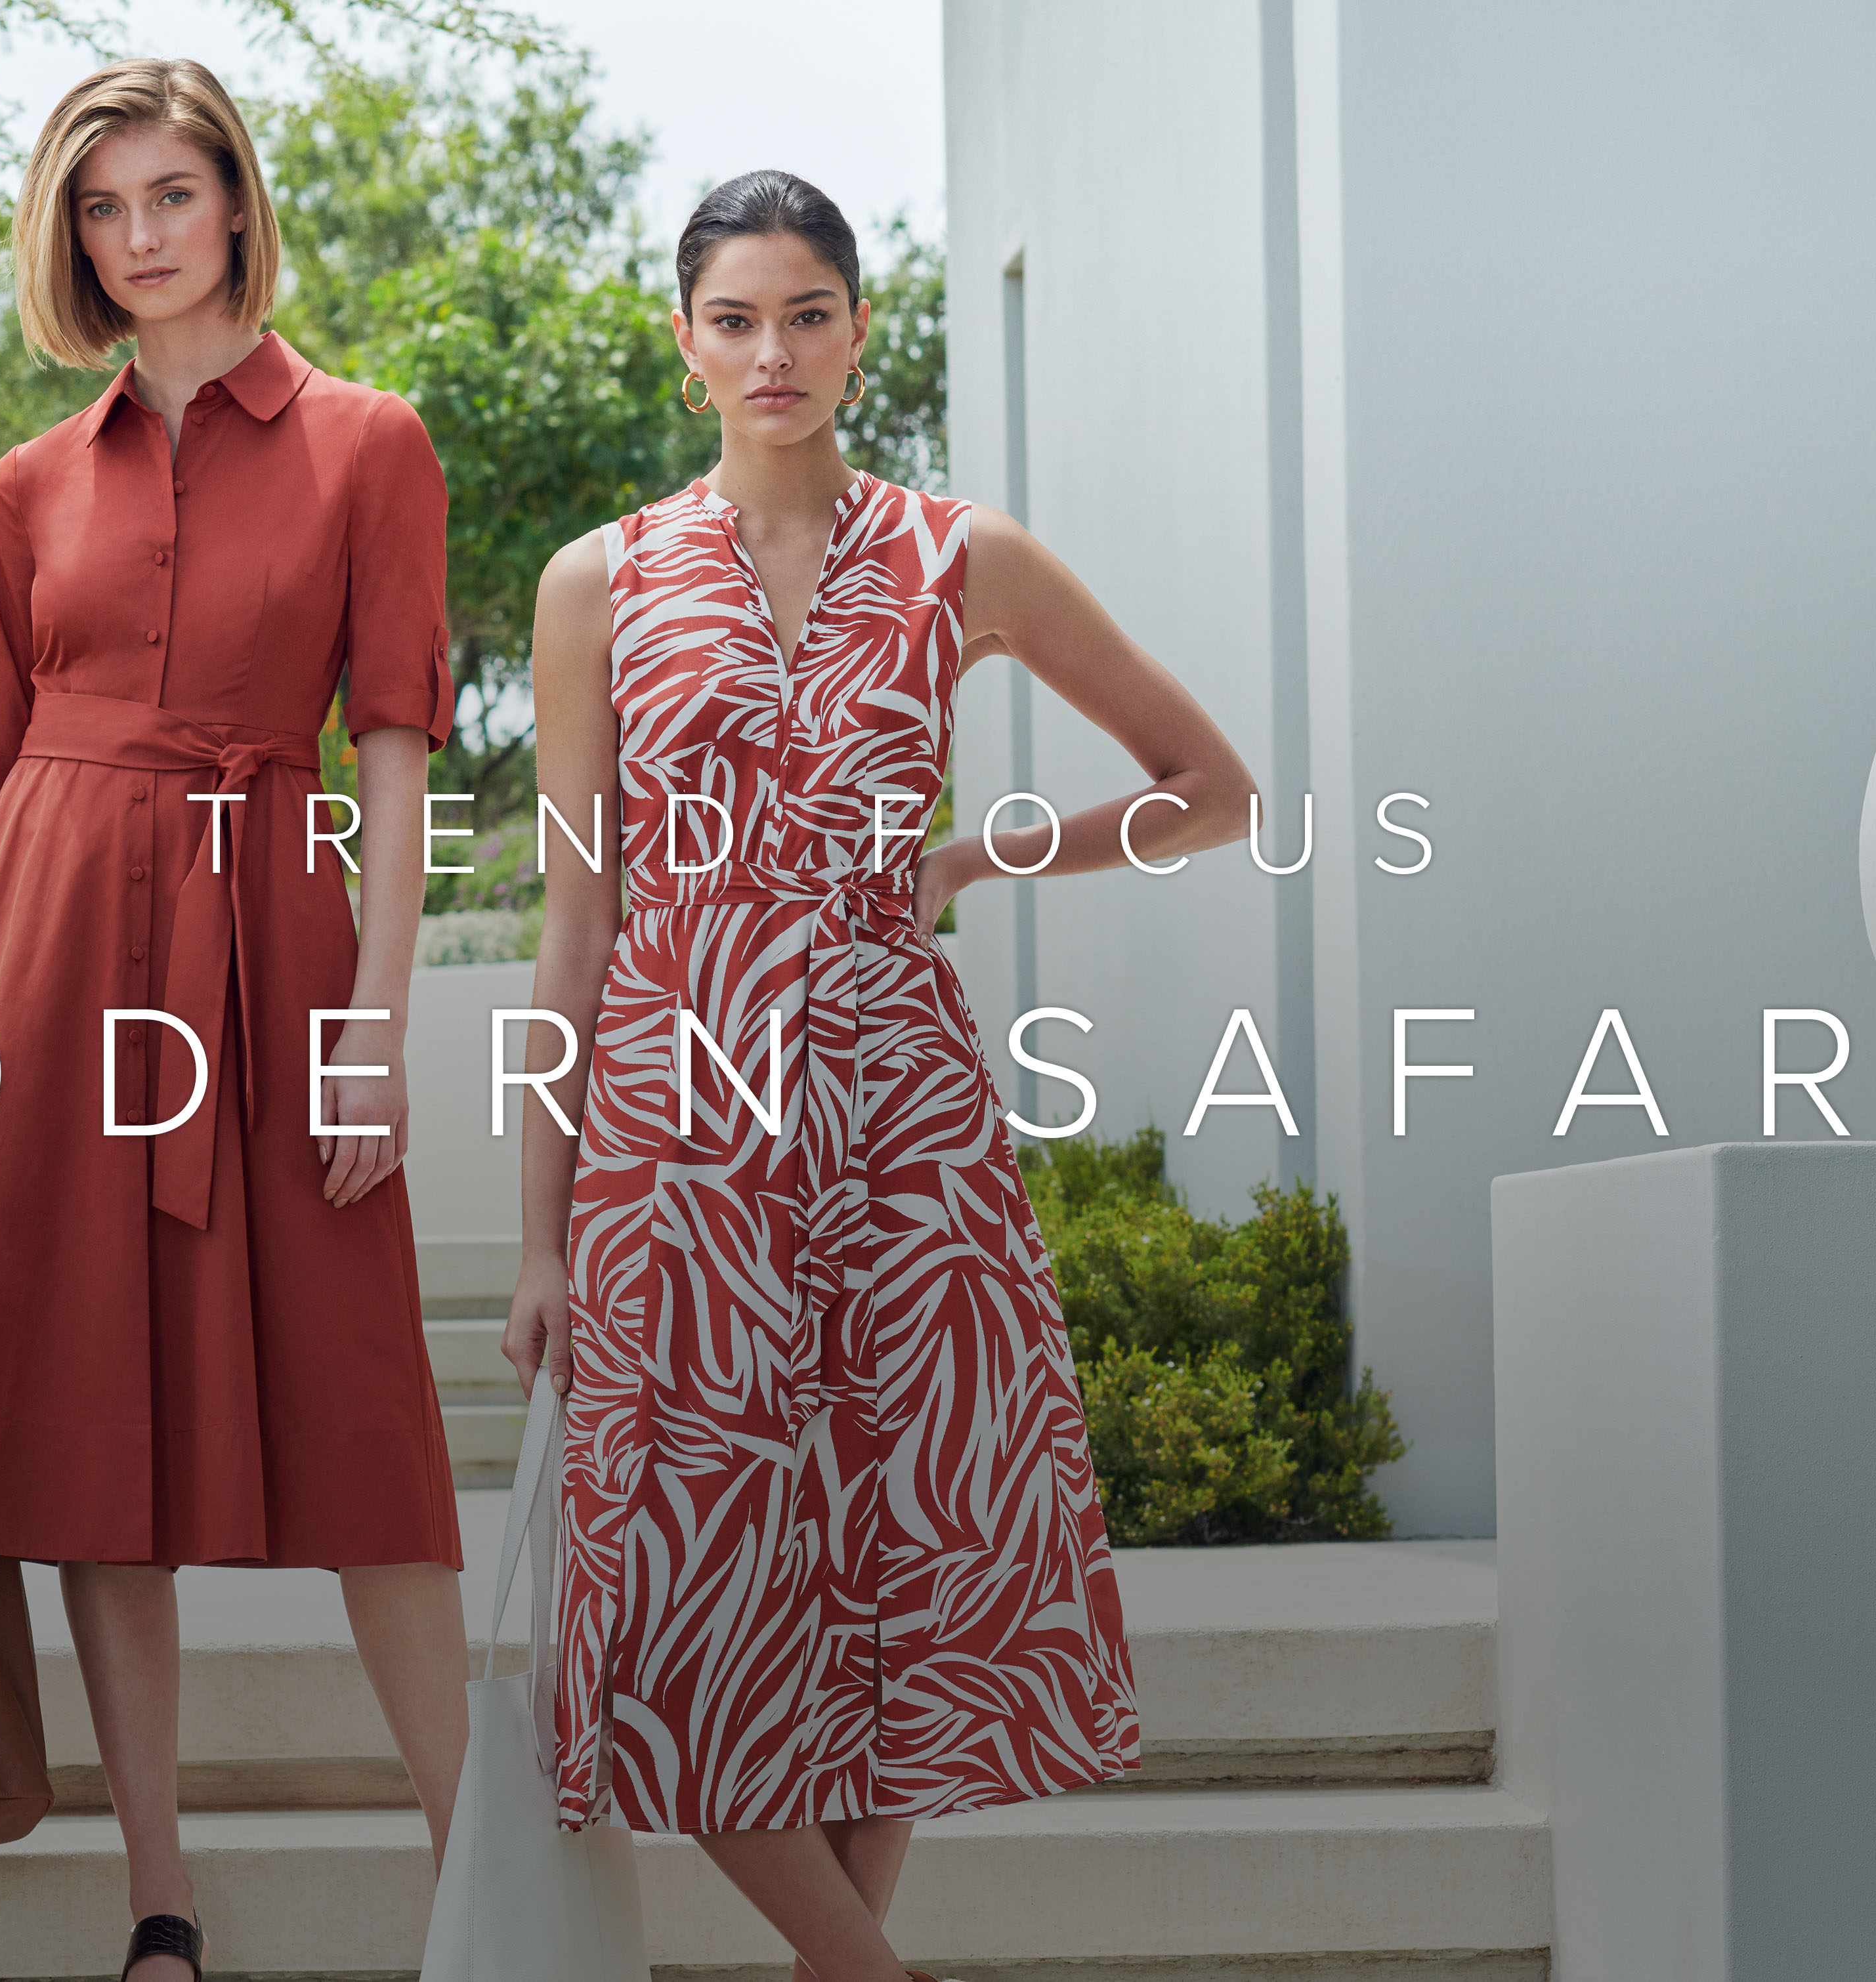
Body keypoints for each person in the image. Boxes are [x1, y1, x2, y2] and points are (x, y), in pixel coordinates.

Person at [503, 169, 1264, 1982]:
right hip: (672, 1140)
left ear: (859, 327)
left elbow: (1209, 785)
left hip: (902, 1137)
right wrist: (541, 1238)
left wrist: (970, 856)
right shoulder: (595, 581)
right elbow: (571, 925)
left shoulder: (963, 557)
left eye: (809, 313)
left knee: (898, 1573)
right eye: (735, 318)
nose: (773, 351)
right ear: (682, 341)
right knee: (682, 1596)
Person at [0, 58, 467, 1982]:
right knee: (86, 1441)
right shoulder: (18, 486)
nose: (137, 237)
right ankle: (161, 1897)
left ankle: (484, 1877)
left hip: (265, 951)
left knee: (369, 1422)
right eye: (101, 208)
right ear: (74, 237)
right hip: (41, 967)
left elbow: (390, 755)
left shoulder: (371, 441)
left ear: (236, 206)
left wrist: (372, 1027)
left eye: (170, 196)